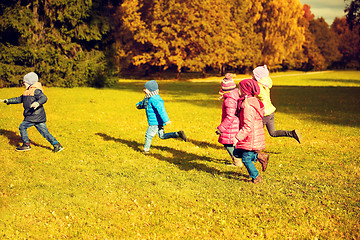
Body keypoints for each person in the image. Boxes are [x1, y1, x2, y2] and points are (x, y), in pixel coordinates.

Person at [0, 72, 64, 152]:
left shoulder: (36, 91)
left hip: (33, 116)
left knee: (22, 126)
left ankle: (26, 145)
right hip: (37, 117)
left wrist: (37, 103)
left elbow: (44, 98)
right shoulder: (27, 91)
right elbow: (19, 99)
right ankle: (57, 145)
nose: (24, 83)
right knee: (44, 132)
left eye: (25, 82)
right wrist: (8, 101)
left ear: (30, 83)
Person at [253, 65, 302, 143]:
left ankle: (254, 149)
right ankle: (292, 133)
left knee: (255, 132)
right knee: (273, 133)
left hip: (264, 113)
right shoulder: (265, 84)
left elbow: (256, 95)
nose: (252, 76)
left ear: (257, 76)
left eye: (253, 74)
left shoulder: (258, 86)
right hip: (270, 111)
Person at [136, 80, 187, 154]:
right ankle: (178, 134)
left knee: (148, 135)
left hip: (155, 122)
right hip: (157, 121)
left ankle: (146, 150)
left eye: (145, 89)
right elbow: (144, 104)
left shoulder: (155, 99)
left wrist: (166, 120)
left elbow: (161, 110)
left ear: (151, 90)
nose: (144, 90)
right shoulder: (148, 97)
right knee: (162, 136)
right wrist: (139, 105)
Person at [233, 78, 268, 183]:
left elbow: (248, 126)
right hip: (251, 135)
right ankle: (260, 156)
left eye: (240, 88)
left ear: (244, 90)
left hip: (251, 136)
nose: (238, 90)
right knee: (237, 153)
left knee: (246, 159)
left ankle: (256, 177)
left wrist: (237, 137)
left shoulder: (248, 106)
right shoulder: (250, 101)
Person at [216, 73, 243, 167]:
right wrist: (223, 96)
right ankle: (241, 159)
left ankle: (237, 161)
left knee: (227, 143)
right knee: (233, 143)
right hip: (236, 123)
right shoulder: (235, 94)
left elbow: (229, 116)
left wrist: (221, 128)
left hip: (230, 125)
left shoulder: (229, 101)